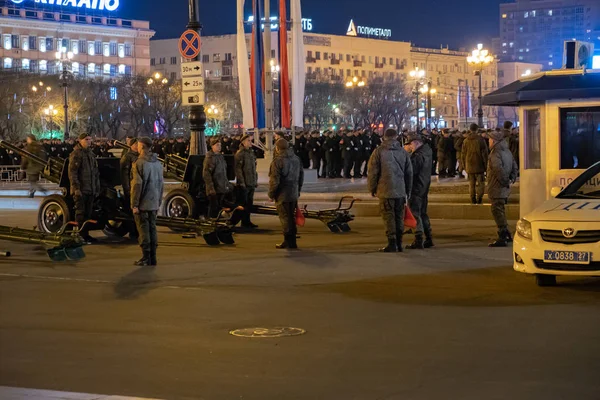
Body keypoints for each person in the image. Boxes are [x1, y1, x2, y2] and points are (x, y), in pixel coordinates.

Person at [367, 129, 413, 253]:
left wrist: (372, 188)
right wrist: (407, 191)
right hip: (400, 190)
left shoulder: (378, 152)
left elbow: (373, 172)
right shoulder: (403, 152)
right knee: (399, 217)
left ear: (384, 137)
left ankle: (392, 243)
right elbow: (409, 173)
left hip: (385, 190)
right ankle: (399, 243)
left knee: (388, 217)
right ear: (396, 137)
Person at [131, 137, 164, 266]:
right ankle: (153, 257)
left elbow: (137, 185)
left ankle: (145, 257)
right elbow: (161, 184)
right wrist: (159, 201)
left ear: (143, 147)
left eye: (139, 145)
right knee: (153, 229)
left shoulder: (139, 163)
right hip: (154, 201)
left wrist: (134, 204)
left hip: (143, 203)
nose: (137, 147)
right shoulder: (157, 163)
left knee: (143, 229)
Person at [268, 139, 304, 249]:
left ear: (277, 148)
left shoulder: (277, 161)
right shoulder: (296, 159)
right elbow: (301, 176)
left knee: (285, 218)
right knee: (291, 217)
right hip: (293, 192)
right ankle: (291, 241)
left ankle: (289, 241)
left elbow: (275, 181)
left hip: (282, 193)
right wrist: (298, 190)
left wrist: (271, 194)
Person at [487, 129, 518, 247]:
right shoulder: (507, 151)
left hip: (497, 187)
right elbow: (515, 166)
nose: (488, 141)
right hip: (504, 187)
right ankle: (506, 233)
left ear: (494, 140)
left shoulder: (495, 153)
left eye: (490, 139)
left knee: (497, 210)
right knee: (500, 209)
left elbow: (498, 169)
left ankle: (502, 235)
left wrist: (505, 181)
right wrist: (512, 178)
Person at [68, 133, 100, 243]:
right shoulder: (76, 154)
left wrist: (96, 188)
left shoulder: (90, 154)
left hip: (90, 189)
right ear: (80, 140)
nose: (89, 141)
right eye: (86, 139)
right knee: (80, 213)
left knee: (88, 214)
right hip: (81, 190)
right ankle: (80, 235)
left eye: (90, 139)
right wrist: (76, 188)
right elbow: (73, 172)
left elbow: (95, 173)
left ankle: (85, 234)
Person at [404, 134, 434, 250]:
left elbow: (410, 171)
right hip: (424, 186)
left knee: (415, 213)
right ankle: (429, 237)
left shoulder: (417, 155)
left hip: (416, 187)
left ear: (416, 142)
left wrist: (407, 154)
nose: (410, 146)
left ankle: (419, 239)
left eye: (410, 144)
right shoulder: (427, 152)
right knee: (423, 213)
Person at [235, 134, 259, 228]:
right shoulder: (240, 154)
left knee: (249, 203)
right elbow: (238, 170)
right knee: (243, 203)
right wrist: (242, 183)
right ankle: (242, 221)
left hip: (251, 182)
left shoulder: (250, 153)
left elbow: (254, 168)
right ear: (243, 142)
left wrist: (255, 180)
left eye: (250, 140)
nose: (250, 142)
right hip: (244, 183)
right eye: (248, 141)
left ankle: (247, 221)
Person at [203, 138, 231, 219]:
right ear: (212, 146)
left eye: (220, 145)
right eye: (217, 145)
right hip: (214, 188)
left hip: (221, 186)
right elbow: (206, 173)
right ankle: (210, 224)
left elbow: (223, 172)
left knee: (219, 207)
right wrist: (211, 188)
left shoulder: (220, 156)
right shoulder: (210, 158)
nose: (219, 147)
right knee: (213, 208)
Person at [461, 123, 489, 205]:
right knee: (481, 183)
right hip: (479, 165)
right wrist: (486, 165)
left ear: (470, 129)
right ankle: (479, 198)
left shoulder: (465, 141)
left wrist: (464, 166)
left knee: (471, 184)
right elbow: (485, 154)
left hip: (469, 165)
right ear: (477, 130)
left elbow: (463, 154)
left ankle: (472, 199)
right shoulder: (481, 140)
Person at [21, 134, 47, 198]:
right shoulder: (39, 146)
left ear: (30, 139)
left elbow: (26, 158)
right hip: (38, 167)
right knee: (32, 181)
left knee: (32, 182)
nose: (27, 140)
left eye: (28, 139)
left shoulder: (30, 147)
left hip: (31, 167)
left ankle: (41, 189)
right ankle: (31, 193)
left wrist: (23, 166)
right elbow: (43, 156)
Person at [120, 137, 138, 211]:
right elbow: (124, 174)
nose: (137, 146)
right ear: (131, 145)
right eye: (136, 144)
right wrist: (127, 188)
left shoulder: (139, 155)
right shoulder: (127, 156)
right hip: (130, 185)